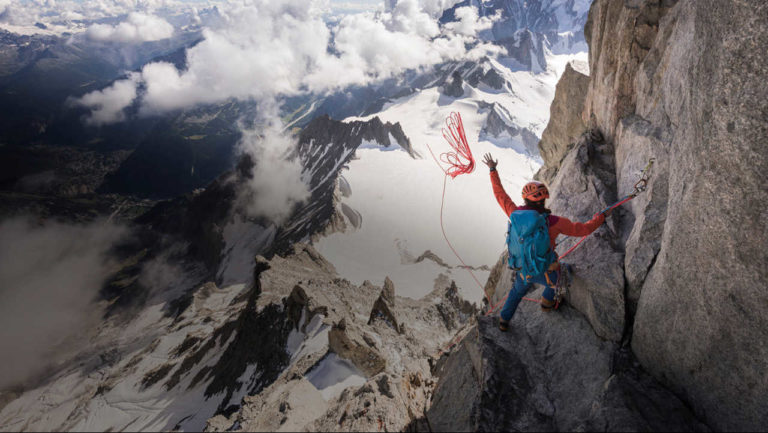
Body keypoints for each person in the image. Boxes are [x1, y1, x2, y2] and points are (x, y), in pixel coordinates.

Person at [482, 153, 609, 332]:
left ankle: (504, 320)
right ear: (543, 200)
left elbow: (500, 195)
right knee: (563, 274)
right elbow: (583, 230)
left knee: (516, 292)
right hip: (545, 270)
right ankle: (547, 303)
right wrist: (601, 217)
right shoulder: (554, 222)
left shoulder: (514, 214)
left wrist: (492, 170)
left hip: (523, 270)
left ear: (525, 199)